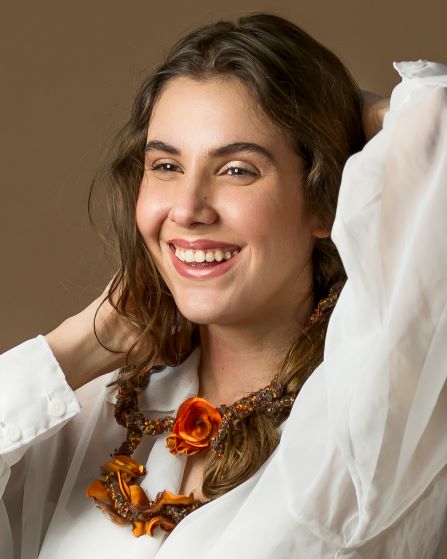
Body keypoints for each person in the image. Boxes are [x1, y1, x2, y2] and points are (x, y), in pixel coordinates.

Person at [0, 12, 446, 559]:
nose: (188, 209)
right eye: (166, 166)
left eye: (237, 170)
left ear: (322, 198)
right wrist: (74, 350)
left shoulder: (379, 398)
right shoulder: (97, 407)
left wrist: (344, 112)